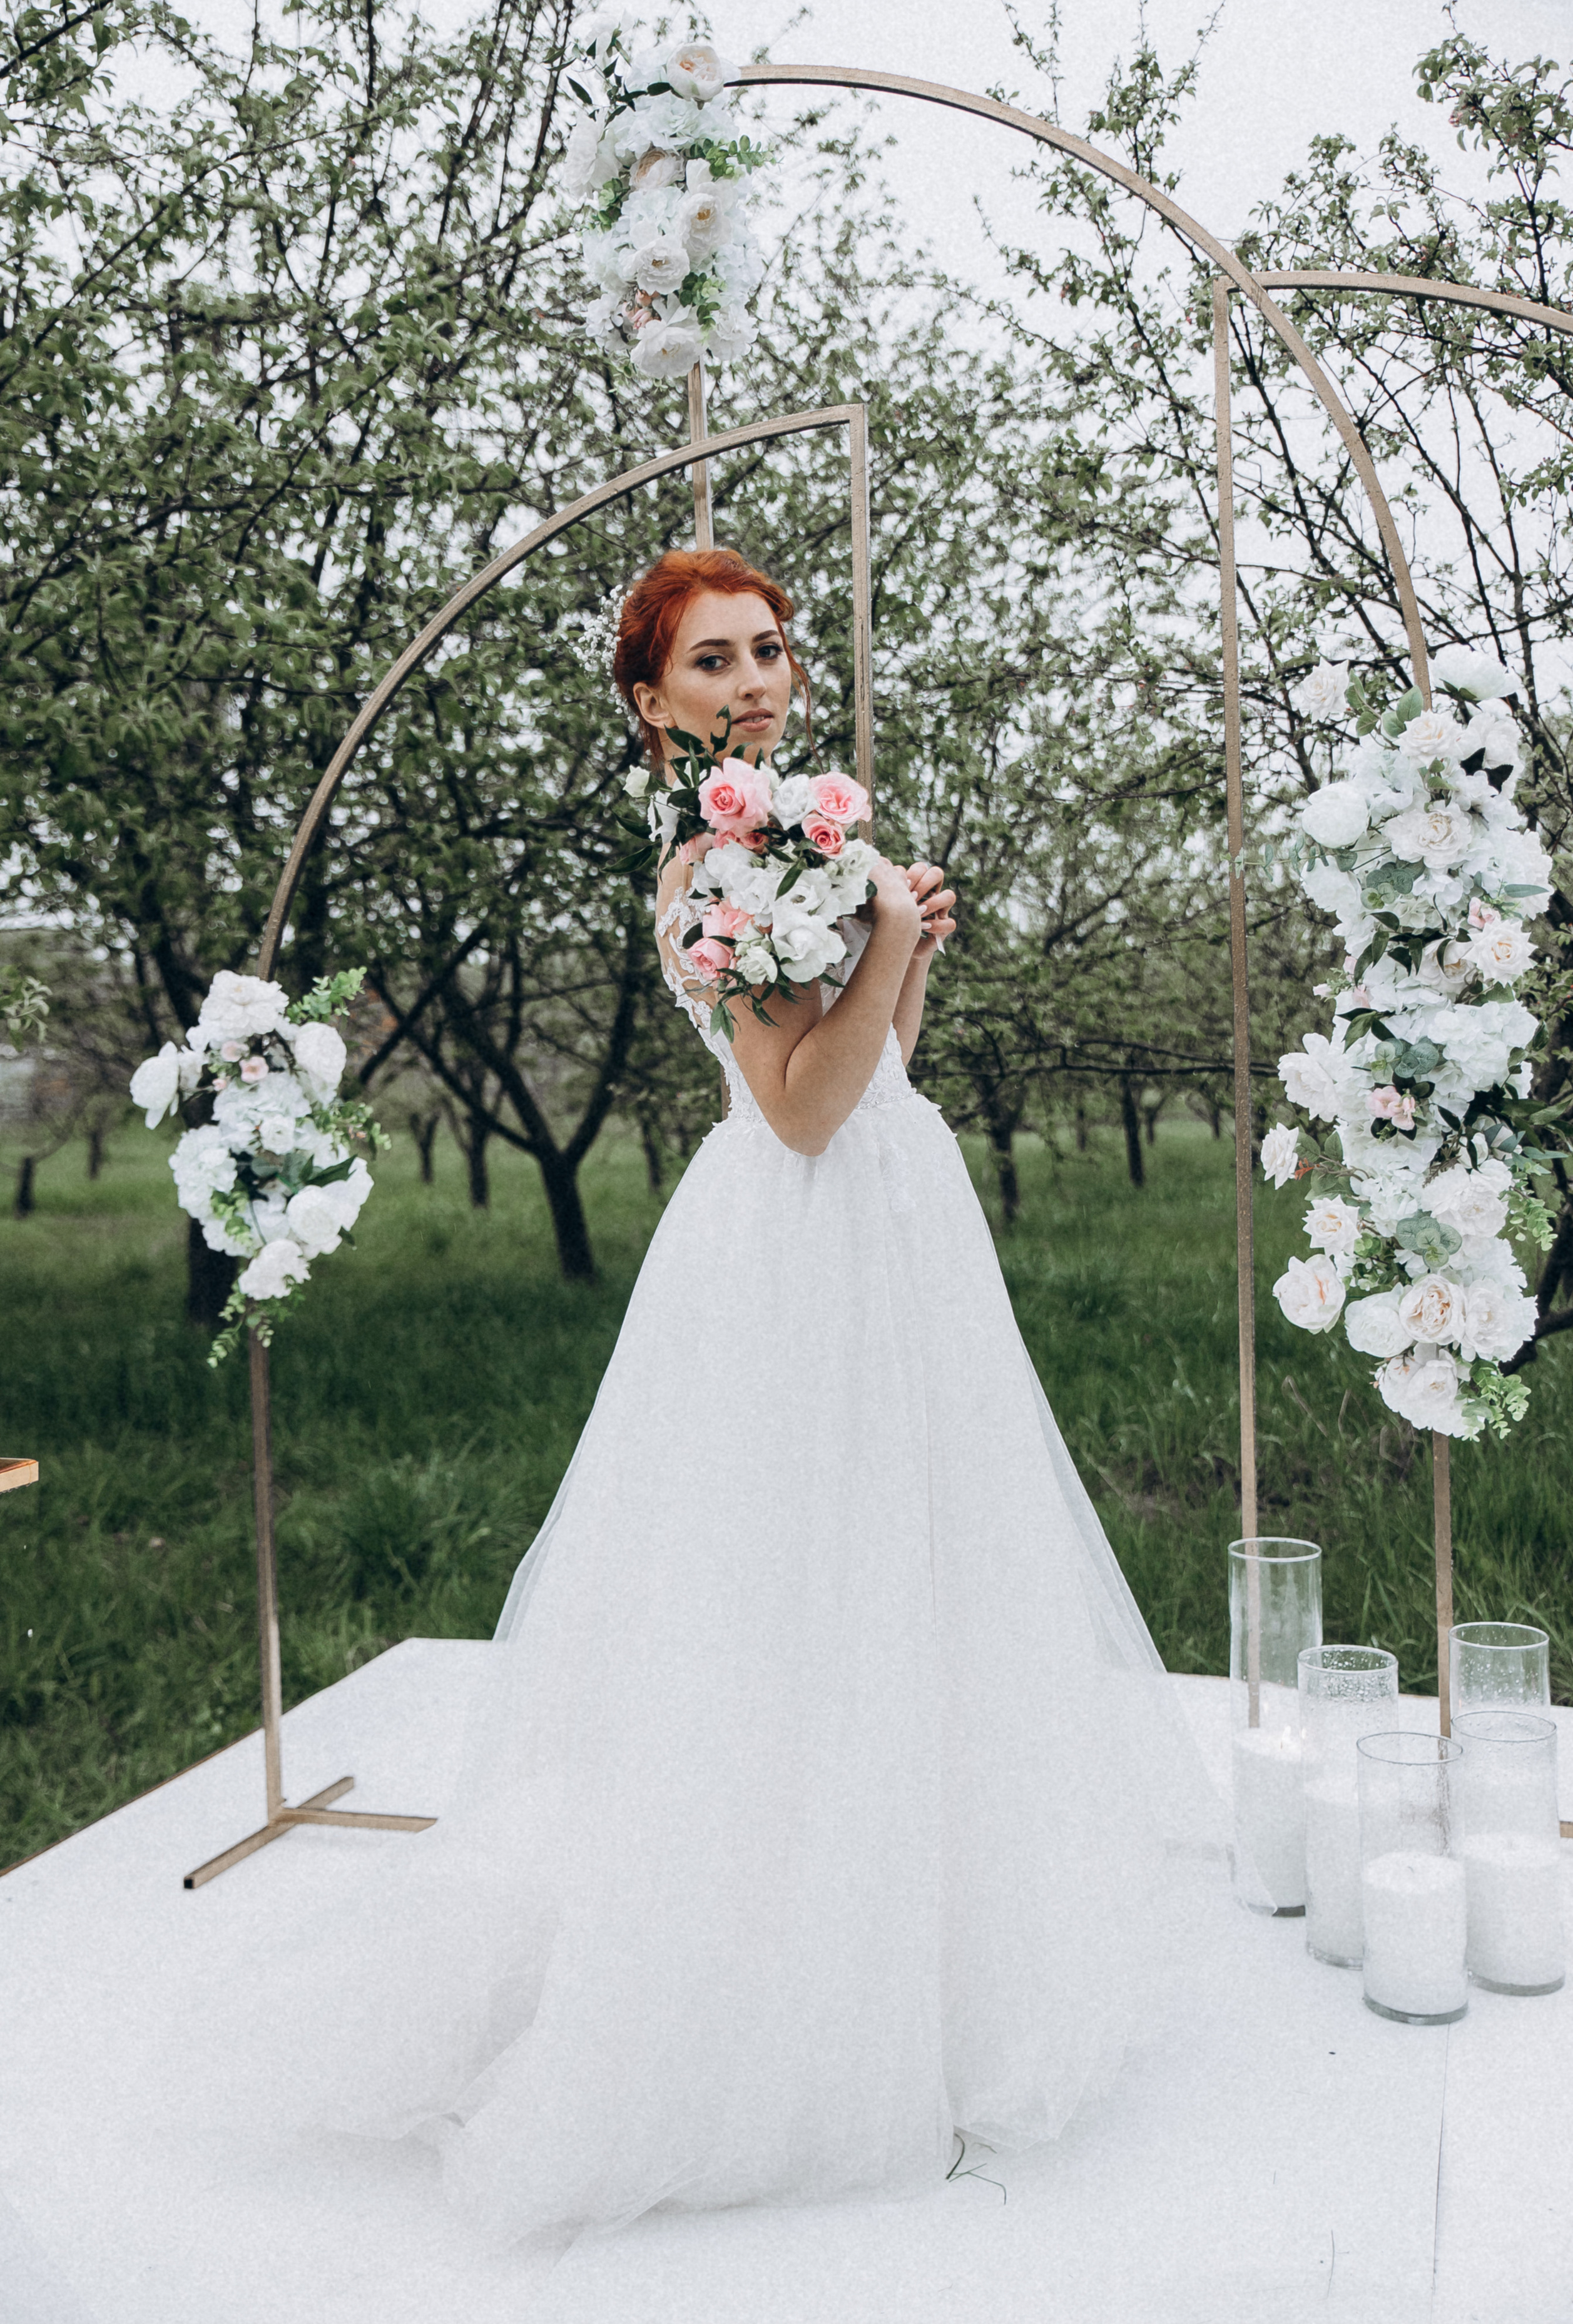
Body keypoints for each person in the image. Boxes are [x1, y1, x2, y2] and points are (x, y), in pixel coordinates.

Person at [156, 546, 1219, 2248]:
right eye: (715, 660)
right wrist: (875, 931)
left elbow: (878, 1065)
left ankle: (920, 1948)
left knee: (908, 1570)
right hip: (794, 1243)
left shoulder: (801, 832)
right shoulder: (699, 871)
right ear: (653, 705)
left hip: (892, 1222)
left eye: (773, 649)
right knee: (793, 1594)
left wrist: (904, 943)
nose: (757, 678)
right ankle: (779, 1980)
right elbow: (795, 1109)